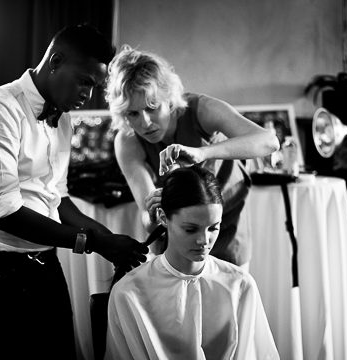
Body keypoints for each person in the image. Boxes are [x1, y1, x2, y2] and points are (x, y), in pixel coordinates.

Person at [0, 25, 148, 360]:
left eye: (95, 87)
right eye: (83, 81)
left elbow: (56, 198)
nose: (87, 95)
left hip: (42, 264)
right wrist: (88, 242)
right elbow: (5, 212)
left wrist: (107, 240)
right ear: (55, 62)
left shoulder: (62, 120)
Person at [101, 166, 281, 360]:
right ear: (164, 218)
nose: (204, 241)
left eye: (213, 228)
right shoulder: (130, 293)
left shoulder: (240, 286)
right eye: (191, 229)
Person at [105, 46, 280, 267]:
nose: (145, 122)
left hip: (223, 221)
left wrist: (202, 153)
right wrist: (151, 214)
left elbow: (269, 141)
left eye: (152, 107)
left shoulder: (202, 110)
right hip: (175, 229)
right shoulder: (127, 141)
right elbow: (148, 220)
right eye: (133, 113)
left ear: (168, 99)